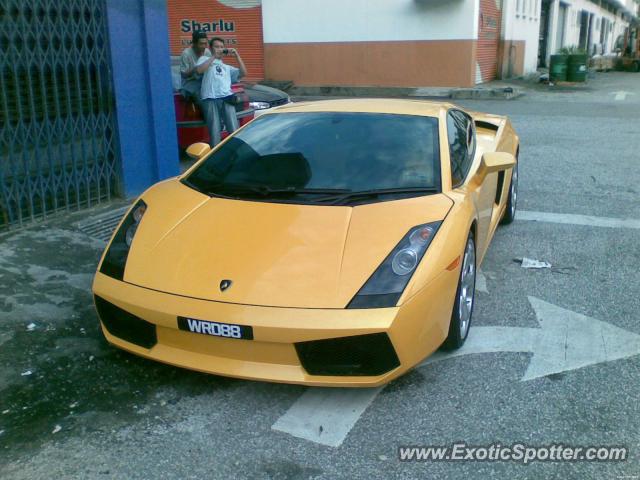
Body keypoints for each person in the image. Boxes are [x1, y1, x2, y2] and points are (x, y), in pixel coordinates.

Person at [196, 37, 247, 147]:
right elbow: (200, 70)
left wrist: (237, 56)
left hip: (227, 98)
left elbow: (243, 73)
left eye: (221, 47)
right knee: (215, 131)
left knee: (234, 130)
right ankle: (216, 157)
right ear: (211, 48)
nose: (219, 49)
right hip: (210, 99)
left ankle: (235, 153)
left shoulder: (226, 67)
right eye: (216, 47)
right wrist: (214, 56)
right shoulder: (204, 59)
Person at [179, 31, 211, 101]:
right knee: (206, 98)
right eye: (201, 44)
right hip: (190, 84)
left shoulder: (207, 52)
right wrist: (195, 70)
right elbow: (183, 75)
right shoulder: (186, 53)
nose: (204, 46)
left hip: (204, 83)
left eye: (205, 43)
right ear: (194, 44)